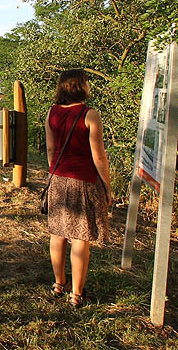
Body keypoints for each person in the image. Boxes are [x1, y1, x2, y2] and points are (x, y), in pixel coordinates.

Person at [44, 68, 112, 307]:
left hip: (58, 178)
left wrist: (57, 173)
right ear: (80, 86)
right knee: (80, 237)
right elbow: (99, 157)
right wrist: (107, 186)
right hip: (83, 180)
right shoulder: (90, 114)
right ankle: (77, 294)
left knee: (57, 234)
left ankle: (58, 284)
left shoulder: (51, 113)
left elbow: (51, 151)